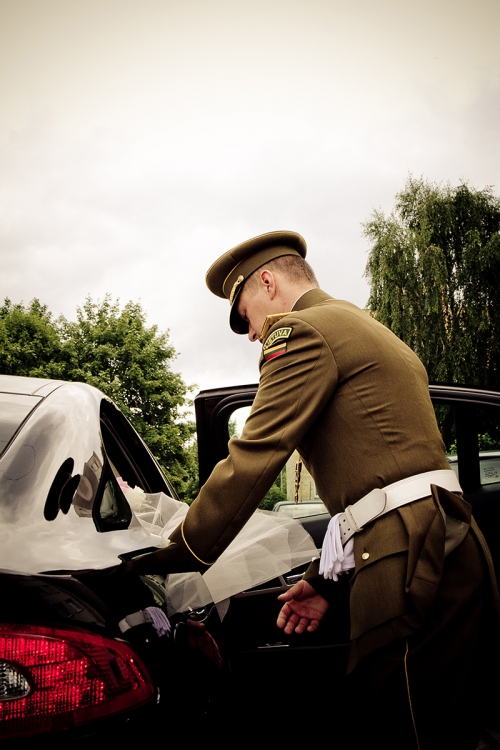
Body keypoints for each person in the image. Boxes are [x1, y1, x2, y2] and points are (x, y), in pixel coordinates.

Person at [111, 231, 496, 748]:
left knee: (402, 729)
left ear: (266, 281)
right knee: (451, 723)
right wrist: (327, 581)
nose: (251, 334)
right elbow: (382, 477)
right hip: (448, 543)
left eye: (245, 315)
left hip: (410, 558)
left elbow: (255, 455)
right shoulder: (361, 324)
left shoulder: (300, 330)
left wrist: (169, 554)